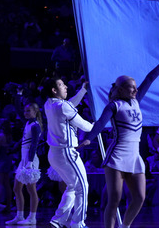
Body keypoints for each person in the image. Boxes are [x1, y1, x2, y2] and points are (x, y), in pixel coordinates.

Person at [78, 59, 159, 228]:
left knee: (140, 197)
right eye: (131, 87)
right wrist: (88, 138)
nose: (135, 89)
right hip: (117, 157)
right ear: (121, 89)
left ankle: (125, 226)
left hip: (134, 157)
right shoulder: (114, 106)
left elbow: (149, 78)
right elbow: (100, 123)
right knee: (114, 200)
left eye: (135, 87)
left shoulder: (136, 100)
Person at [43, 77, 93, 228]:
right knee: (82, 186)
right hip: (66, 153)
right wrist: (99, 124)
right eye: (61, 84)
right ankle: (78, 223)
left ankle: (58, 220)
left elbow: (70, 104)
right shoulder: (62, 106)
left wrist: (83, 89)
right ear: (54, 90)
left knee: (72, 186)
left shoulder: (49, 104)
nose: (65, 86)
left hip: (55, 154)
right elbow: (85, 126)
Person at [6, 104, 43, 225]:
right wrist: (17, 95)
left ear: (35, 112)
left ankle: (32, 217)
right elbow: (17, 109)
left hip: (30, 160)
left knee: (31, 190)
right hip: (24, 160)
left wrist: (29, 163)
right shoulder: (27, 123)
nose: (25, 113)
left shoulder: (35, 126)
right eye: (25, 111)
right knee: (17, 188)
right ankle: (20, 216)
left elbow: (34, 145)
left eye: (28, 111)